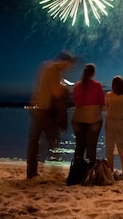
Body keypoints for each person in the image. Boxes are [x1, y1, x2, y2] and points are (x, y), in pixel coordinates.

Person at [26, 50, 76, 179]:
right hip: (44, 110)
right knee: (54, 139)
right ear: (64, 61)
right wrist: (65, 89)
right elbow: (56, 93)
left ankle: (31, 172)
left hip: (34, 106)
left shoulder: (44, 65)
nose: (68, 68)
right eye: (68, 65)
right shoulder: (54, 71)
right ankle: (55, 171)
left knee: (34, 142)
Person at [72, 63, 105, 163]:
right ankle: (90, 172)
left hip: (78, 118)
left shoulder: (77, 86)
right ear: (93, 73)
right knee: (91, 146)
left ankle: (77, 171)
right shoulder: (97, 86)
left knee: (79, 147)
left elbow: (76, 102)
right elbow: (102, 102)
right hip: (93, 118)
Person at [105, 75, 123, 179]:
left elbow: (106, 107)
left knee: (109, 147)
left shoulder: (108, 95)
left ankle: (111, 171)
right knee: (122, 147)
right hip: (121, 122)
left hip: (110, 122)